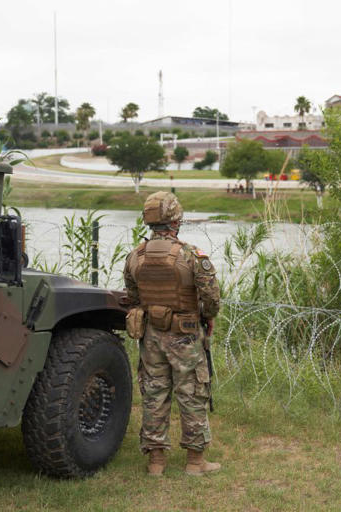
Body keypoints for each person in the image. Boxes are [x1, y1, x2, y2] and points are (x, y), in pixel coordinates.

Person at [123, 191, 221, 477]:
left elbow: (132, 296)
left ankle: (156, 463)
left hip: (151, 335)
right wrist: (208, 318)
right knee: (192, 393)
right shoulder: (191, 255)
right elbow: (211, 298)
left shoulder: (135, 256)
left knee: (154, 394)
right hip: (185, 334)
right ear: (176, 221)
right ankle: (195, 462)